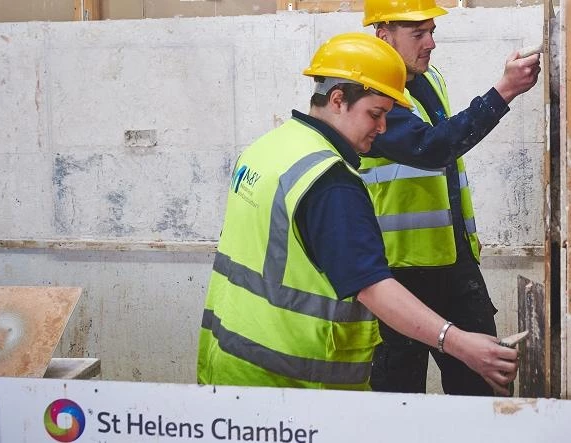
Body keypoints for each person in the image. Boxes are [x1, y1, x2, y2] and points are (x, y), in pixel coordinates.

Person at [196, 32, 518, 394]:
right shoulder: (330, 183)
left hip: (230, 365)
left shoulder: (269, 148)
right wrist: (460, 343)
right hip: (295, 383)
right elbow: (372, 288)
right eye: (376, 114)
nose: (382, 128)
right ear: (338, 100)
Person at [360, 0, 541, 396]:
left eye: (432, 32)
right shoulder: (373, 94)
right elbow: (431, 147)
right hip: (400, 274)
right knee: (399, 397)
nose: (431, 44)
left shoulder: (428, 79)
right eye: (418, 34)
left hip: (454, 263)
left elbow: (449, 145)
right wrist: (505, 90)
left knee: (481, 385)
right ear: (383, 35)